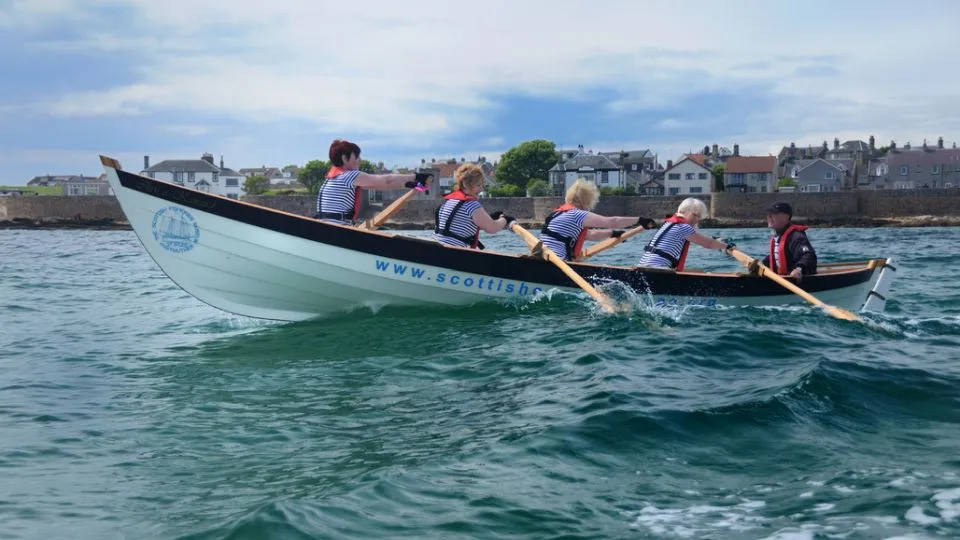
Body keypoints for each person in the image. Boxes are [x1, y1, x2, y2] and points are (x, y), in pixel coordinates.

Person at [315, 139, 433, 224]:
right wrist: (416, 177)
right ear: (345, 159)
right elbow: (386, 180)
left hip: (325, 224)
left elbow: (382, 185)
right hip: (337, 227)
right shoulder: (350, 176)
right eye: (356, 157)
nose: (359, 161)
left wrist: (410, 184)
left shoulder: (334, 178)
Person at [539, 178, 657, 261]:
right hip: (557, 262)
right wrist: (639, 220)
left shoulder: (557, 213)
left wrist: (612, 234)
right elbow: (612, 222)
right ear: (587, 200)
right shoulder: (577, 215)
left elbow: (590, 234)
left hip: (542, 257)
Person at [637, 197, 733, 271]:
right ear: (685, 212)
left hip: (645, 266)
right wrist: (727, 246)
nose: (697, 220)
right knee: (699, 274)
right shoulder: (683, 227)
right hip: (656, 268)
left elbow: (699, 241)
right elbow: (708, 244)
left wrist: (716, 241)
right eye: (696, 215)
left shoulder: (669, 224)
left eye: (699, 217)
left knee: (699, 272)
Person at [434, 163, 513, 249]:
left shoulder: (449, 202)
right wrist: (506, 219)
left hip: (438, 248)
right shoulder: (471, 205)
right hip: (454, 254)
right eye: (478, 185)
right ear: (465, 184)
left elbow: (466, 220)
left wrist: (491, 218)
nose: (482, 189)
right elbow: (492, 228)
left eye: (482, 185)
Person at [759, 201, 817, 281]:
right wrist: (761, 264)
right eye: (768, 214)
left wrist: (799, 270)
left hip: (795, 279)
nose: (769, 217)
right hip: (781, 277)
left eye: (773, 214)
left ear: (785, 217)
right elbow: (778, 257)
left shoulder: (796, 237)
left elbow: (809, 256)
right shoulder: (778, 237)